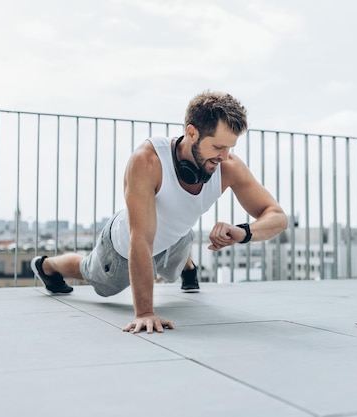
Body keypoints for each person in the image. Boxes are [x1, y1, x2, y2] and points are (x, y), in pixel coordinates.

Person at [31, 91, 288, 334]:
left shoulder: (228, 165)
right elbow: (140, 239)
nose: (225, 156)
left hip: (177, 237)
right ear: (191, 132)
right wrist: (145, 313)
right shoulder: (148, 160)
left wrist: (243, 232)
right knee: (96, 279)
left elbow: (277, 216)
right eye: (218, 147)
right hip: (126, 244)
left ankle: (185, 264)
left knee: (176, 242)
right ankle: (47, 266)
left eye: (230, 147)